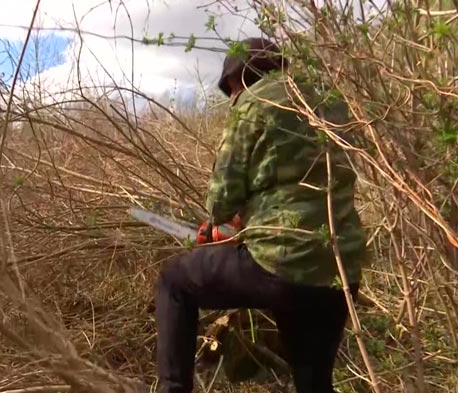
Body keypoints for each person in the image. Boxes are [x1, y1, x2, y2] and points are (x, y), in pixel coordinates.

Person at [154, 37, 368, 393]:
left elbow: (220, 202)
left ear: (242, 78)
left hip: (282, 264)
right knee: (314, 382)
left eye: (231, 89)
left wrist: (226, 221)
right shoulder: (330, 102)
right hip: (340, 269)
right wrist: (251, 221)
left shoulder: (254, 104)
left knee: (174, 282)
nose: (232, 98)